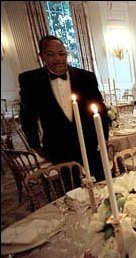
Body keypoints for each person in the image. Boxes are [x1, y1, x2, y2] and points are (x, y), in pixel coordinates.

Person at [19, 35, 109, 190]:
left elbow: (100, 110)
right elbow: (28, 116)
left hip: (90, 142)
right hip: (57, 146)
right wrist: (35, 145)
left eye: (61, 53)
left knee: (101, 184)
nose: (58, 59)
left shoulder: (86, 77)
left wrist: (103, 138)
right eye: (51, 54)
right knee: (71, 190)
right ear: (41, 56)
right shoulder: (30, 80)